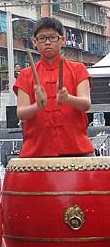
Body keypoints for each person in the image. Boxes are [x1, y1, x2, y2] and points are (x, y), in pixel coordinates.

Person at [14, 17, 93, 157]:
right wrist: (38, 106)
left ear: (62, 40)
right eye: (42, 38)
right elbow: (21, 113)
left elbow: (86, 104)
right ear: (35, 43)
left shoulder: (78, 69)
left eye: (52, 37)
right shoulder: (26, 74)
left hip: (76, 148)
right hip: (37, 150)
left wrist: (67, 98)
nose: (48, 42)